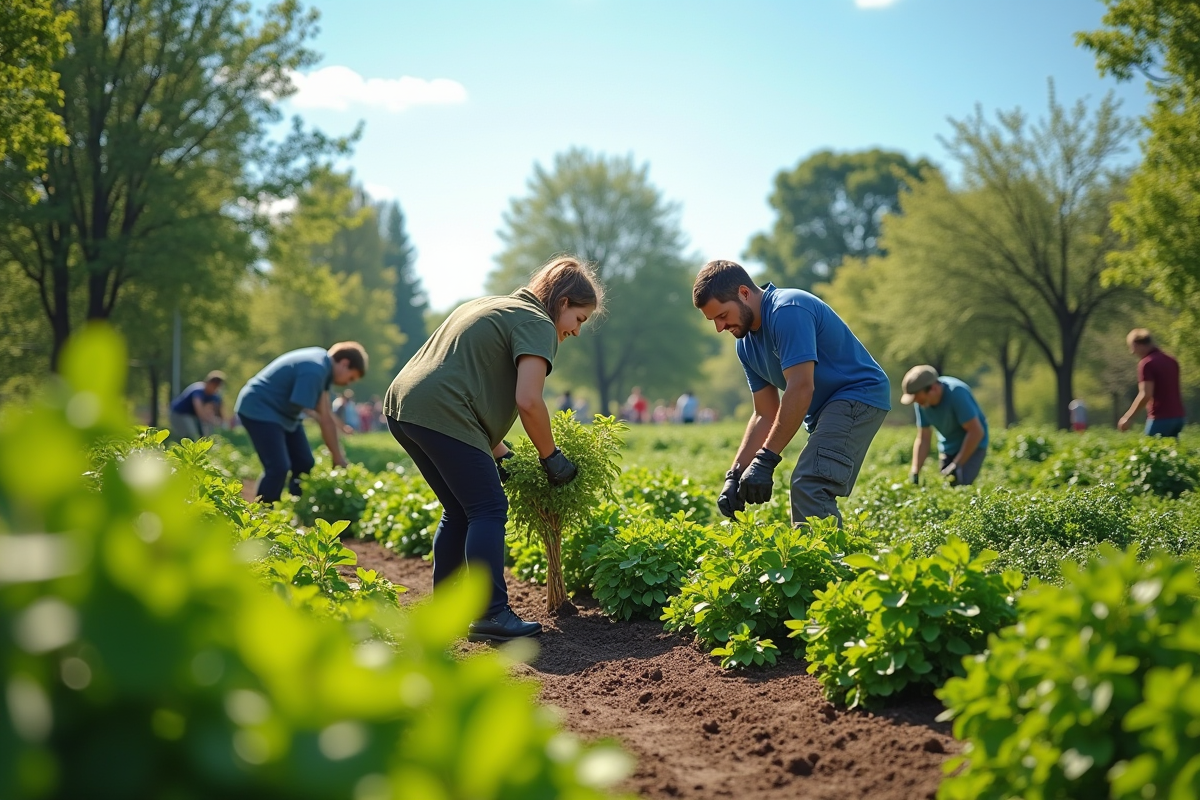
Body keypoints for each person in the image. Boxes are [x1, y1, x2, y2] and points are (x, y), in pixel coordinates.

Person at [384, 255, 602, 642]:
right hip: (441, 411)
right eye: (579, 319)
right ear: (564, 302)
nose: (577, 331)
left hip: (406, 406)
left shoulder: (490, 305)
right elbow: (529, 401)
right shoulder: (538, 323)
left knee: (459, 509)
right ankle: (491, 614)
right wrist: (552, 457)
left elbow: (468, 384)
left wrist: (501, 453)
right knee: (488, 508)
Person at [693, 260, 890, 526]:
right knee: (808, 483)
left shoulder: (787, 309)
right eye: (713, 320)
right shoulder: (745, 347)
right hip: (827, 408)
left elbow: (800, 387)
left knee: (809, 483)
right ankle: (824, 559)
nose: (719, 327)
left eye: (722, 315)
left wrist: (765, 459)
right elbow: (765, 413)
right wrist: (735, 475)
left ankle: (827, 565)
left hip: (857, 394)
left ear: (744, 293)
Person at [236, 343, 367, 504]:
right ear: (344, 363)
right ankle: (262, 516)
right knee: (278, 467)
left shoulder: (322, 366)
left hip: (283, 414)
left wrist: (338, 456)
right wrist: (338, 457)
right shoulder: (315, 369)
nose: (348, 383)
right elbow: (323, 419)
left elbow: (325, 414)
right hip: (260, 408)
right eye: (351, 377)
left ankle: (296, 506)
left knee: (304, 462)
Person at [901, 366, 989, 487]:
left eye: (918, 397)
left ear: (933, 388)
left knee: (961, 486)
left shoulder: (957, 393)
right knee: (946, 486)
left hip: (973, 444)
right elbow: (924, 438)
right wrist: (915, 470)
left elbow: (976, 432)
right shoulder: (922, 402)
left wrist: (956, 464)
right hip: (948, 446)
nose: (917, 402)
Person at [1119, 329, 1186, 437]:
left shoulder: (1147, 363)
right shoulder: (1171, 360)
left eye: (1132, 347)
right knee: (1172, 452)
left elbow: (1145, 394)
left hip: (1161, 418)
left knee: (1150, 452)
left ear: (1138, 344)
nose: (1132, 352)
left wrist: (1128, 418)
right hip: (1178, 417)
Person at [168, 370, 226, 441]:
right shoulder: (198, 390)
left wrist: (220, 422)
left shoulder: (214, 395)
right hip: (179, 414)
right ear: (209, 383)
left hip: (192, 416)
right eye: (214, 386)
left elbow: (217, 411)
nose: (216, 389)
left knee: (201, 435)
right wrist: (211, 420)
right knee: (192, 436)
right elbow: (199, 410)